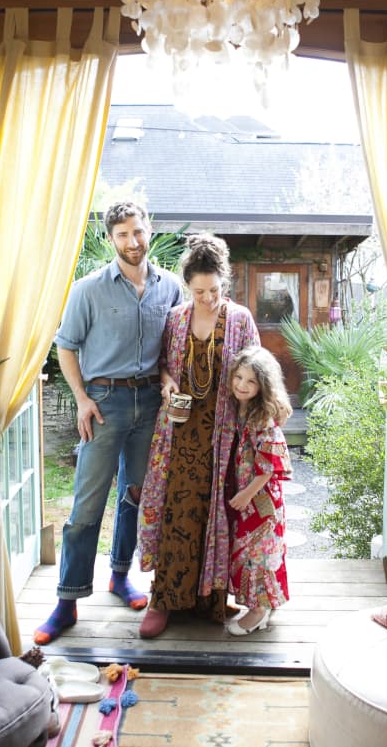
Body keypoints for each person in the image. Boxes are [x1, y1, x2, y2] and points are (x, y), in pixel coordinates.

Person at [33, 201, 183, 645]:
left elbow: (170, 348)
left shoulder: (170, 288)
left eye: (138, 232)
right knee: (85, 506)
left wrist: (168, 378)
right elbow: (65, 347)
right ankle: (67, 601)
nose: (132, 242)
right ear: (110, 239)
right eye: (122, 235)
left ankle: (121, 577)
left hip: (151, 404)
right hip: (103, 403)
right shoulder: (88, 289)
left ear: (149, 230)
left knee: (136, 496)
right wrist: (81, 399)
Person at [137, 233, 260, 638]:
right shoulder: (175, 318)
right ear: (186, 285)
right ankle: (164, 598)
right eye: (198, 290)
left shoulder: (240, 319)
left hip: (224, 436)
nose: (207, 298)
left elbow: (258, 371)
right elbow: (161, 365)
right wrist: (168, 381)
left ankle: (212, 598)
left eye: (214, 289)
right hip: (179, 433)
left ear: (225, 282)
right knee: (176, 510)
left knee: (217, 512)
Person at [225, 345, 293, 635]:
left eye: (250, 381)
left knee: (261, 554)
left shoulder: (262, 417)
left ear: (262, 386)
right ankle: (264, 602)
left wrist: (246, 494)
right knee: (251, 551)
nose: (242, 385)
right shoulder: (241, 409)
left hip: (261, 500)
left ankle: (259, 610)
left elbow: (270, 464)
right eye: (238, 377)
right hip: (250, 497)